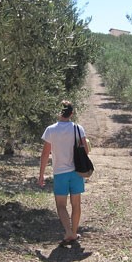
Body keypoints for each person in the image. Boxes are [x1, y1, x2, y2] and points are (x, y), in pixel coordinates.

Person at [38, 100, 91, 244]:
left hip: (60, 172)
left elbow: (45, 154)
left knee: (61, 205)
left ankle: (68, 231)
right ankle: (73, 233)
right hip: (76, 172)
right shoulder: (78, 128)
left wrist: (41, 174)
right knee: (76, 204)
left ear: (58, 112)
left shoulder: (51, 130)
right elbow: (86, 150)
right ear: (71, 113)